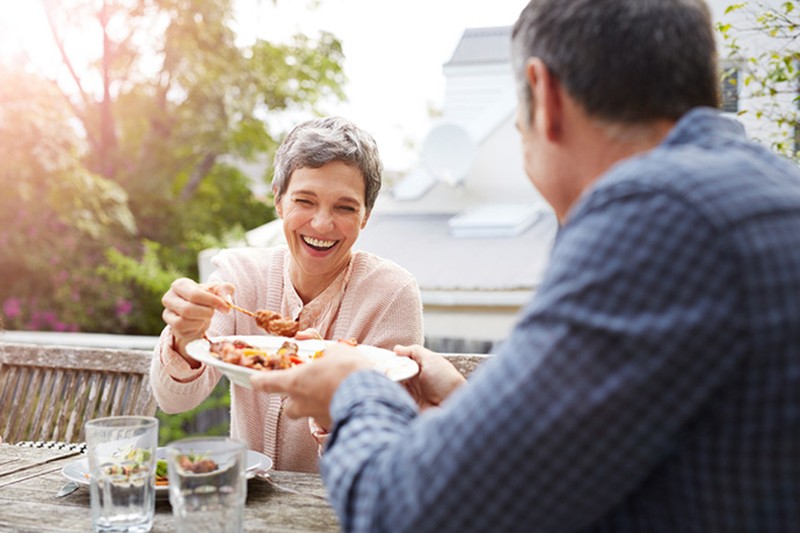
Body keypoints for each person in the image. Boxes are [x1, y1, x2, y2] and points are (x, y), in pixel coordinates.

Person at [250, 0, 800, 530]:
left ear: (545, 94)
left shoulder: (653, 215)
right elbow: (594, 457)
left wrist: (354, 390)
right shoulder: (768, 190)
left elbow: (408, 511)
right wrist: (467, 404)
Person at [151, 116, 424, 473]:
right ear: (279, 202)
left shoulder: (392, 294)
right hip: (245, 500)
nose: (322, 224)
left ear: (365, 216)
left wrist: (335, 402)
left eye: (344, 207)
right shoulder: (239, 276)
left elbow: (386, 454)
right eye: (304, 201)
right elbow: (173, 400)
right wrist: (183, 338)